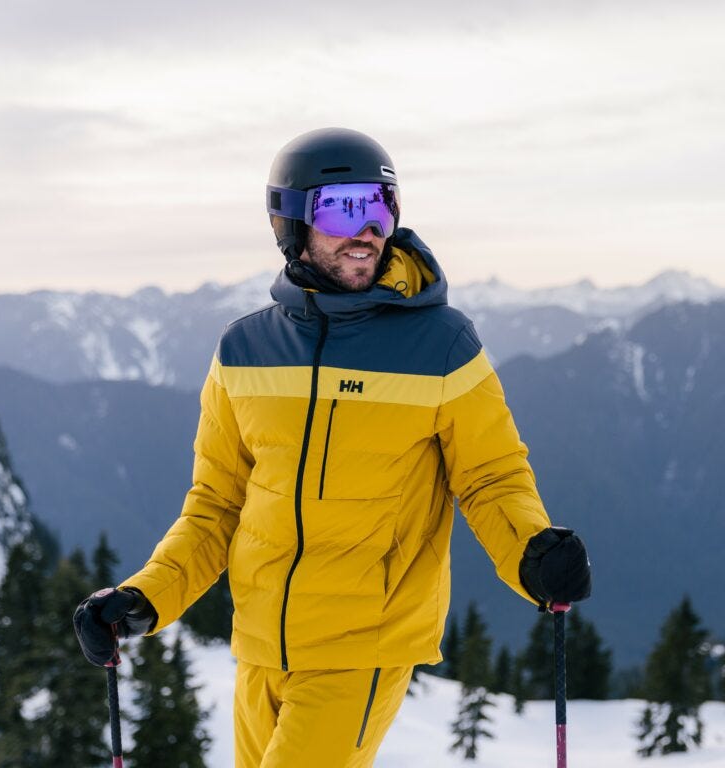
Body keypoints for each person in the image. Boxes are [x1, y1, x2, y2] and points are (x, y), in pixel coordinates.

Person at [74, 127, 591, 768]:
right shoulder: (244, 351)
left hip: (361, 645)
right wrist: (147, 598)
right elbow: (216, 504)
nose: (368, 227)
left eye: (380, 204)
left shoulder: (442, 345)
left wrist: (531, 555)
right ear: (290, 220)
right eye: (343, 207)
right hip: (261, 647)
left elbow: (490, 477)